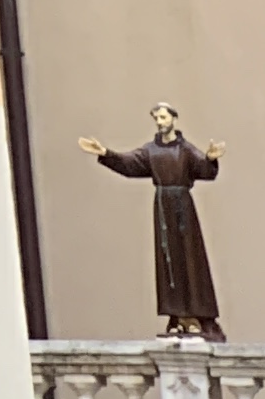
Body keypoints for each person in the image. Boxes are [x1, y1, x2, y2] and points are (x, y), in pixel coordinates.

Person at [81, 106, 224, 341]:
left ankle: (196, 316)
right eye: (156, 118)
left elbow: (204, 170)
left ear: (174, 119)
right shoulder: (151, 151)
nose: (159, 121)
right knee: (168, 261)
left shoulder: (185, 149)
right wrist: (105, 153)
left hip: (183, 209)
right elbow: (129, 164)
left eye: (163, 117)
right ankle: (177, 316)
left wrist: (210, 158)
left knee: (190, 259)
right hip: (163, 210)